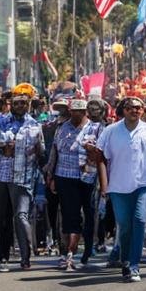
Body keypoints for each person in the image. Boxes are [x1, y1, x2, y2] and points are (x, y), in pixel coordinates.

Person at [94, 96, 146, 282]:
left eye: (138, 108)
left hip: (144, 184)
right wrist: (104, 184)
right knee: (124, 225)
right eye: (130, 107)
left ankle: (134, 265)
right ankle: (125, 260)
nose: (135, 110)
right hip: (117, 186)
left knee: (140, 220)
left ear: (143, 111)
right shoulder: (111, 131)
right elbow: (100, 157)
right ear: (123, 110)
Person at [0, 94, 43, 272]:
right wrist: (3, 148)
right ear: (11, 105)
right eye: (16, 103)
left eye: (23, 103)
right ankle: (3, 258)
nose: (19, 106)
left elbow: (41, 152)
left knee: (21, 216)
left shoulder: (35, 125)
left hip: (23, 177)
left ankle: (26, 258)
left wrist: (34, 151)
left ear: (28, 105)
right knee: (2, 218)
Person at [45, 100, 104, 270]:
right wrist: (51, 175)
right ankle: (68, 253)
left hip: (89, 177)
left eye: (80, 111)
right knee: (70, 215)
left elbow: (104, 155)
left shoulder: (97, 128)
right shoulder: (62, 128)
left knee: (89, 214)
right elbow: (55, 152)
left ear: (85, 111)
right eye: (73, 111)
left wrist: (92, 150)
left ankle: (87, 249)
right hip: (65, 176)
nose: (76, 114)